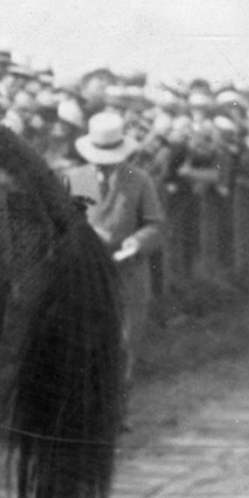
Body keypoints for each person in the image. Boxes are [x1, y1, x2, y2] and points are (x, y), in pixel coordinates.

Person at [71, 109, 165, 389]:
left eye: (109, 163)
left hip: (128, 272)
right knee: (88, 340)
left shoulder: (139, 180)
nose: (103, 168)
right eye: (98, 162)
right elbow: (70, 222)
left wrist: (136, 242)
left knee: (124, 342)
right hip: (88, 273)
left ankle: (117, 408)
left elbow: (156, 225)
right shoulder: (79, 179)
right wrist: (87, 236)